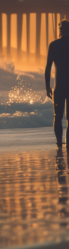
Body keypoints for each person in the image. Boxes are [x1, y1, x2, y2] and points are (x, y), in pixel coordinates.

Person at [45, 19, 69, 151]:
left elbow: (48, 67)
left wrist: (47, 86)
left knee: (57, 116)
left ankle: (59, 144)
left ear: (59, 31)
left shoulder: (54, 45)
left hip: (58, 87)